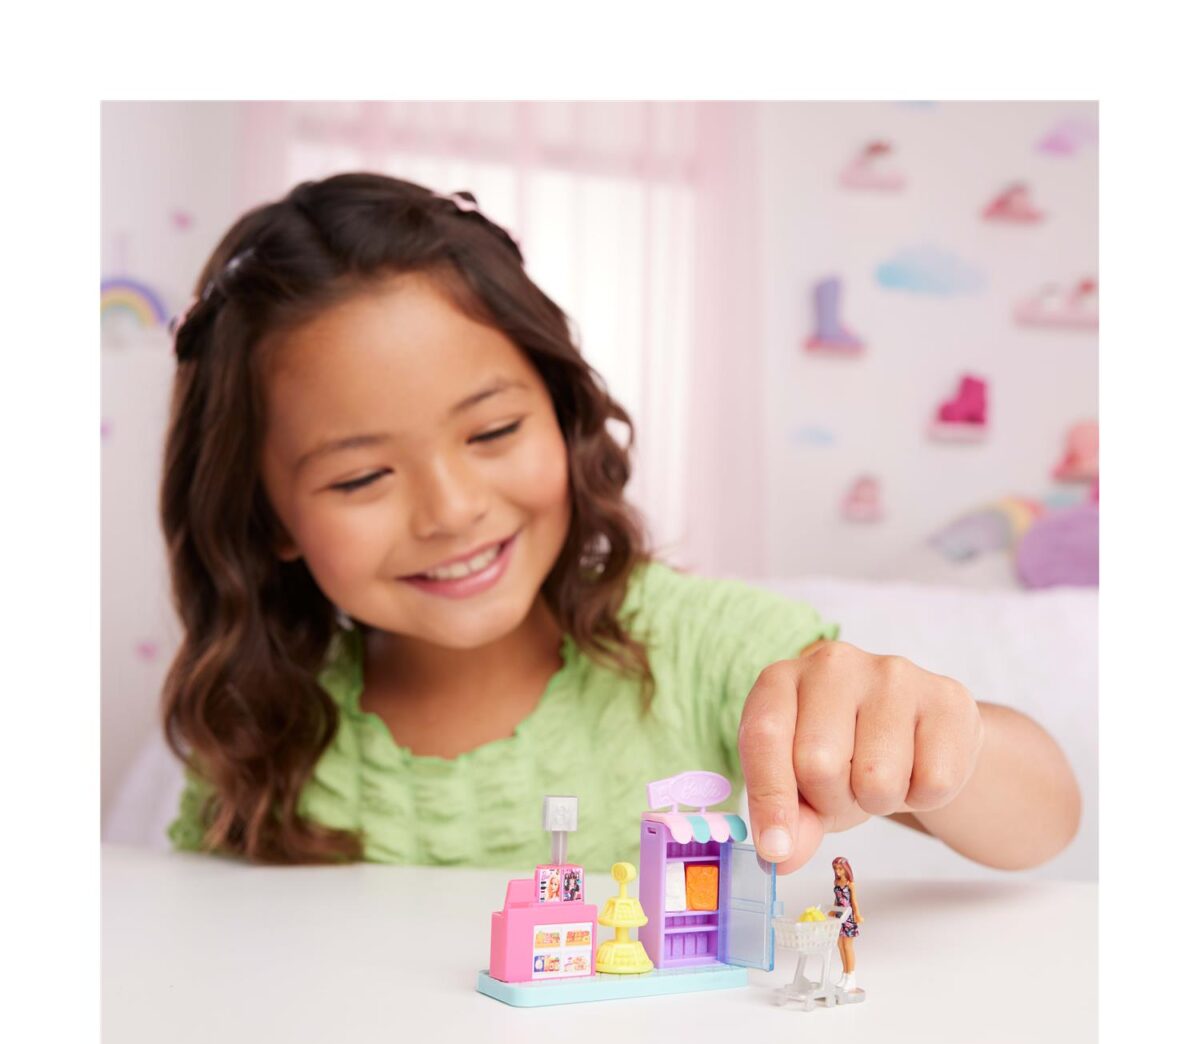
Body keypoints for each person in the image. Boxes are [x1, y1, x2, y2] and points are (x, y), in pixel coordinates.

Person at [162, 172, 1081, 870]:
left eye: (493, 431)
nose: (452, 510)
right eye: (362, 477)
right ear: (267, 514)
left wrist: (938, 738)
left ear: (564, 417)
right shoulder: (257, 723)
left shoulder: (704, 649)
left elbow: (1046, 820)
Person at [830, 856, 862, 992]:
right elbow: (837, 900)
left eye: (840, 869)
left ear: (846, 869)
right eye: (836, 869)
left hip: (848, 917)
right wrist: (832, 911)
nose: (838, 871)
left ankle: (851, 976)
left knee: (848, 946)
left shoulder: (850, 884)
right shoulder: (836, 882)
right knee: (840, 945)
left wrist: (857, 914)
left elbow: (853, 901)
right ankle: (844, 974)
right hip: (839, 917)